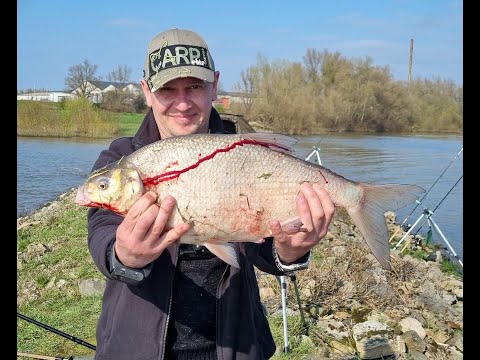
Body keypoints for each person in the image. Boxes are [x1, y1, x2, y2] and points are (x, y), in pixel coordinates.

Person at [86, 28, 335, 360]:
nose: (183, 103)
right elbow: (101, 229)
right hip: (136, 347)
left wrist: (289, 253)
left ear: (214, 85)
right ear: (146, 91)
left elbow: (263, 251)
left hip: (237, 345)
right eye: (167, 89)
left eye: (194, 86)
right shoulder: (123, 159)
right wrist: (124, 256)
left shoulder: (244, 154)